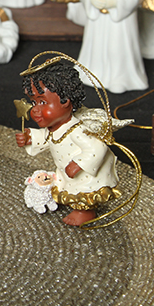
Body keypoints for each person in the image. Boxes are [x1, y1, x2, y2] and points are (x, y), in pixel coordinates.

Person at [15, 60, 120, 226]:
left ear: (65, 101)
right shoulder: (57, 126)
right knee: (69, 187)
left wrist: (78, 164)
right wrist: (31, 138)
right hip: (67, 171)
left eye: (42, 102)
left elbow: (98, 147)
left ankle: (85, 211)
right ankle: (73, 203)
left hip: (85, 174)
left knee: (83, 192)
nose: (35, 109)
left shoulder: (78, 130)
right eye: (34, 103)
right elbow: (48, 137)